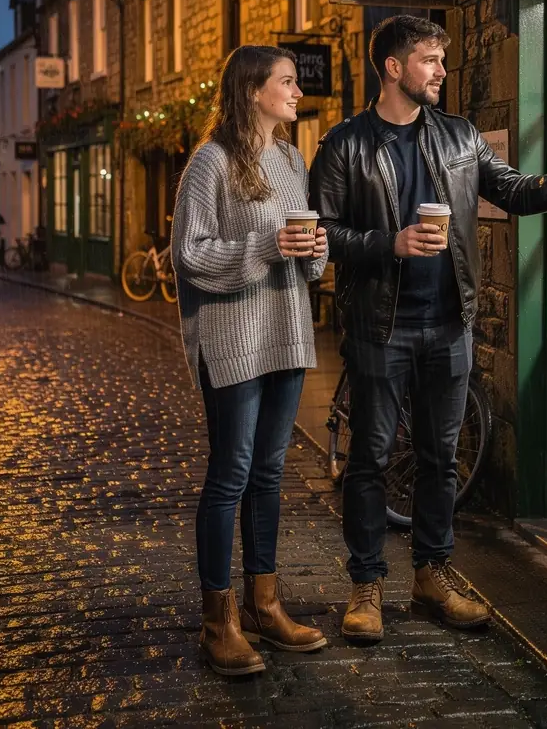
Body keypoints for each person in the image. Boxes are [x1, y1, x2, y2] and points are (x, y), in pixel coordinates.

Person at [309, 15, 547, 643]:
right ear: (393, 67)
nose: (441, 71)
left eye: (442, 60)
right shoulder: (344, 144)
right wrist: (391, 242)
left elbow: (509, 190)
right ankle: (366, 585)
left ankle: (432, 576)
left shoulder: (458, 137)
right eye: (429, 60)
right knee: (372, 459)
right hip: (380, 329)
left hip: (448, 327)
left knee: (440, 458)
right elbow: (323, 236)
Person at [171, 45, 329, 677]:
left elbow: (307, 252)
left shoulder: (292, 157)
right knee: (230, 473)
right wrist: (267, 244)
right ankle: (219, 619)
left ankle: (266, 605)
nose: (296, 91)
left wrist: (314, 247)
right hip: (233, 339)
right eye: (286, 82)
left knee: (269, 473)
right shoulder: (209, 163)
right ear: (252, 91)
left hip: (287, 333)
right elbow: (190, 254)